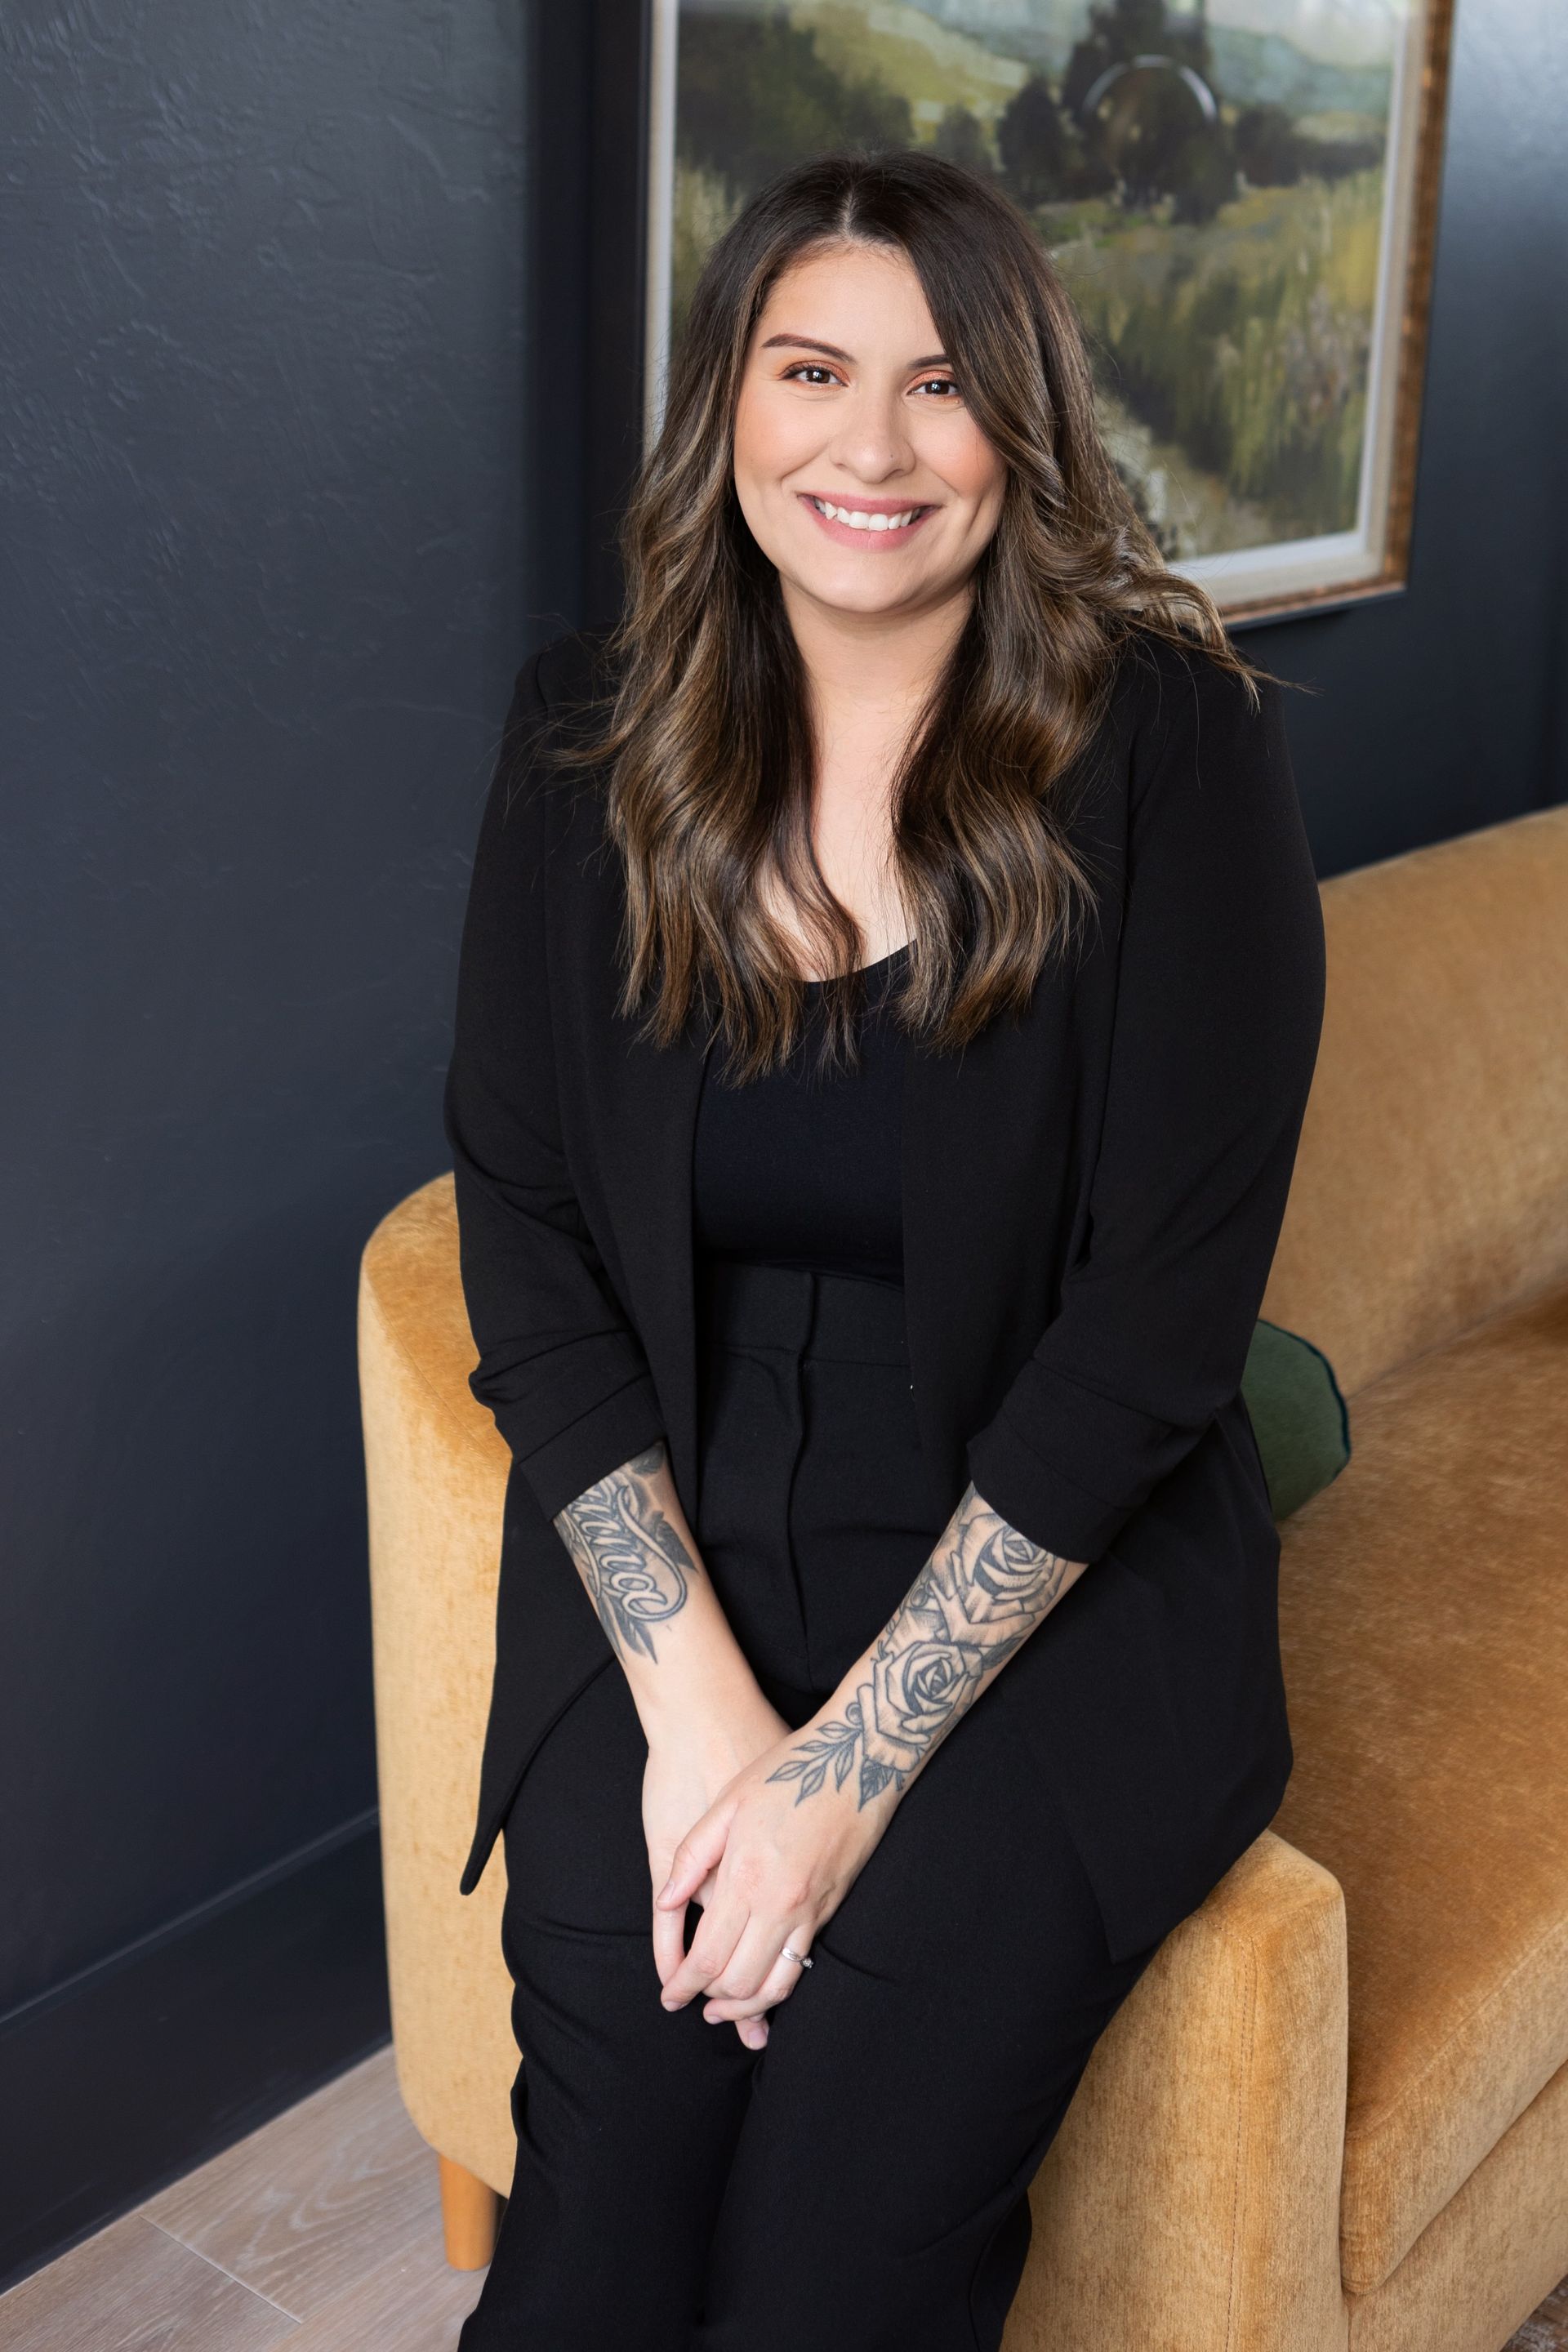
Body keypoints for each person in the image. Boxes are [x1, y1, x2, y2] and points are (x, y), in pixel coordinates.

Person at [445, 149, 1325, 2351]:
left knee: (836, 2246)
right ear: (723, 405)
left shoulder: (1172, 749)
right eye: (810, 368)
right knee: (603, 2207)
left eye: (940, 387)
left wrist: (840, 1783)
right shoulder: (583, 746)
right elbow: (533, 1243)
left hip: (1051, 1546)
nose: (870, 447)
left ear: (1019, 428)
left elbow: (1152, 1334)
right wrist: (700, 1718)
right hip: (675, 1535)